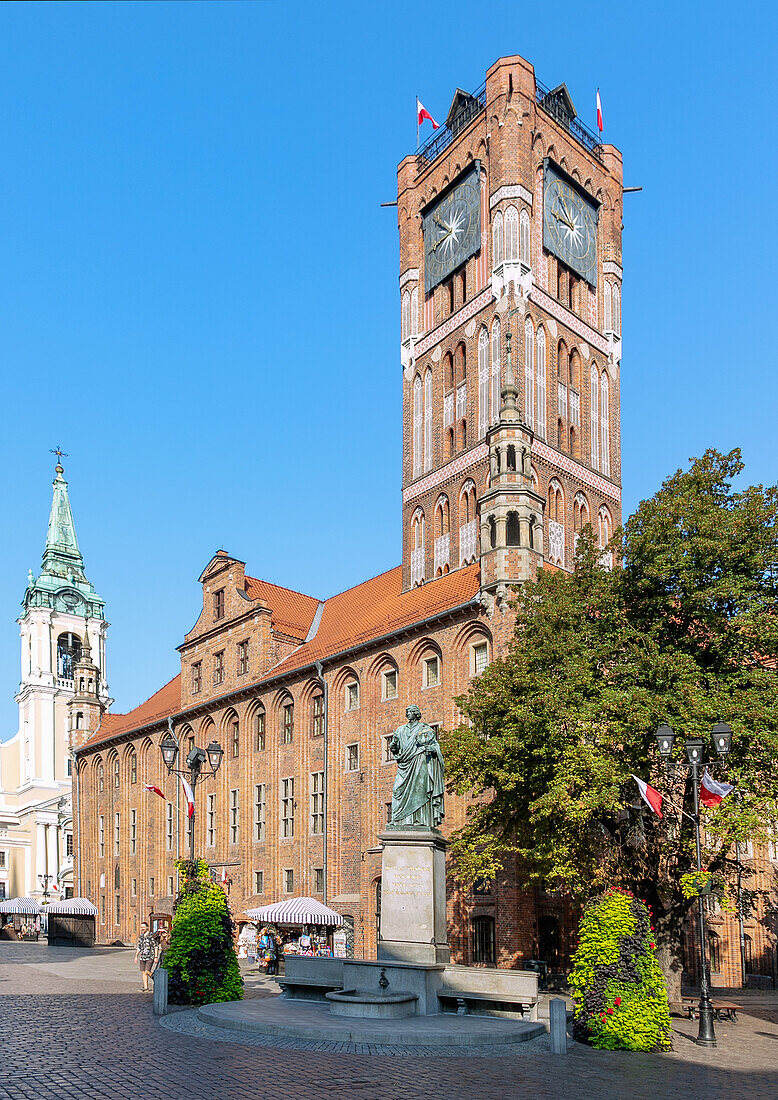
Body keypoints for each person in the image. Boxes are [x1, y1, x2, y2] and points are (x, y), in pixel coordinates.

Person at [388, 704, 445, 827]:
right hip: (405, 765)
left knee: (419, 792)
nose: (408, 713)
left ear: (416, 713)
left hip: (420, 762)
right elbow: (396, 749)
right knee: (397, 790)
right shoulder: (400, 730)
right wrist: (393, 746)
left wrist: (432, 749)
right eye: (407, 711)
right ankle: (398, 820)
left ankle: (419, 820)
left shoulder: (424, 728)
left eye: (410, 711)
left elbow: (434, 744)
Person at [134, 921, 157, 992]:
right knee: (143, 972)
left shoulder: (151, 936)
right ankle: (146, 987)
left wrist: (156, 956)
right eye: (141, 927)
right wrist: (136, 956)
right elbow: (139, 947)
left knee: (147, 971)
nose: (142, 928)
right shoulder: (141, 936)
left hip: (150, 956)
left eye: (143, 927)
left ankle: (156, 978)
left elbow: (155, 946)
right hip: (142, 957)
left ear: (147, 927)